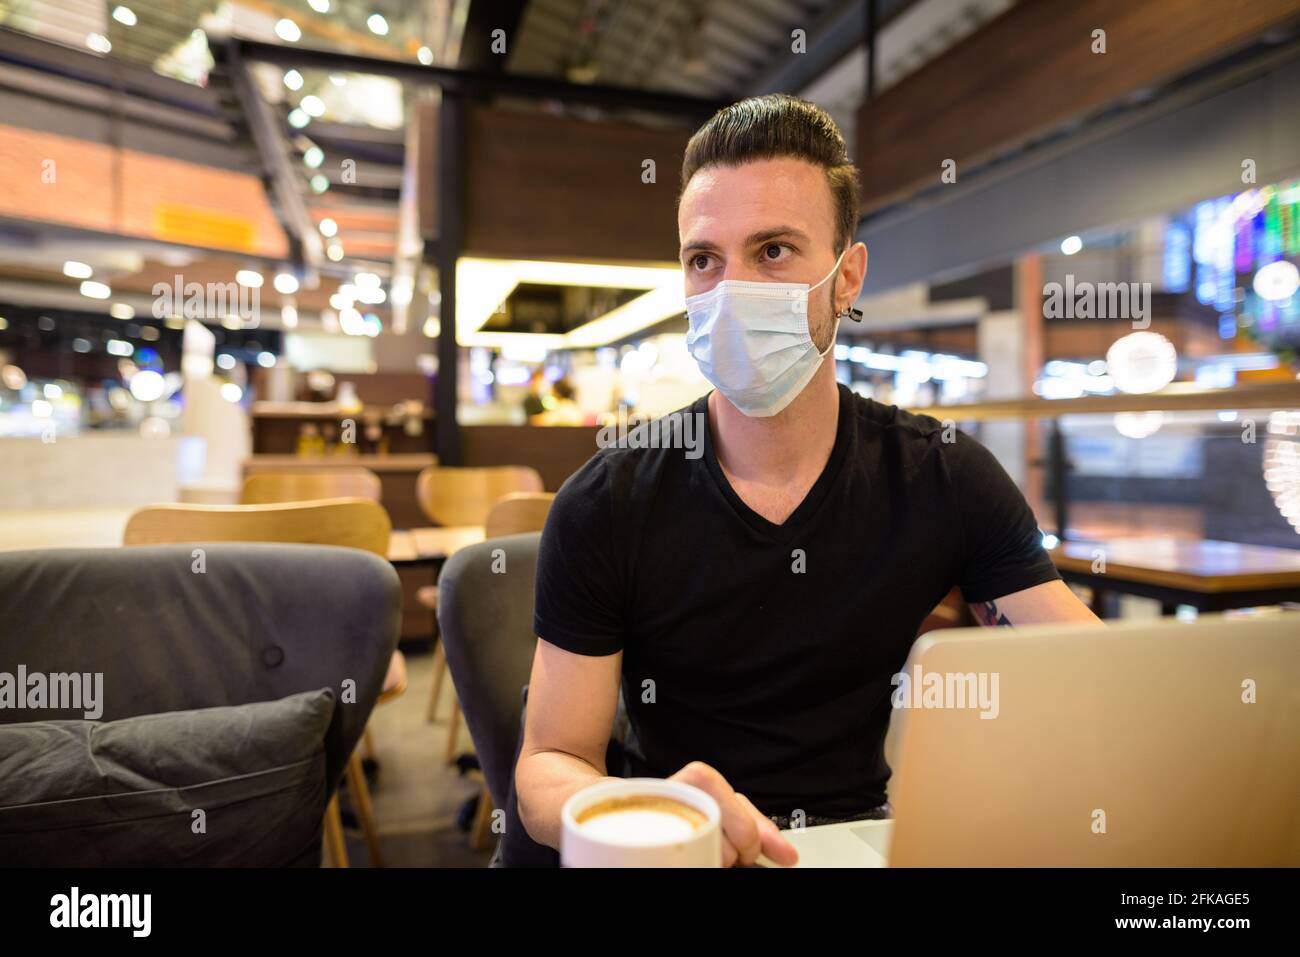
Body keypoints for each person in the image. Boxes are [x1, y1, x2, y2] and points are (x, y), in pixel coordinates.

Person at [515, 94, 1102, 868]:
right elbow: (546, 766)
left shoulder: (941, 474)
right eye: (704, 260)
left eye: (773, 250)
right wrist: (661, 811)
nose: (731, 290)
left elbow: (1100, 688)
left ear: (846, 275)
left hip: (869, 839)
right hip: (680, 844)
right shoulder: (608, 502)